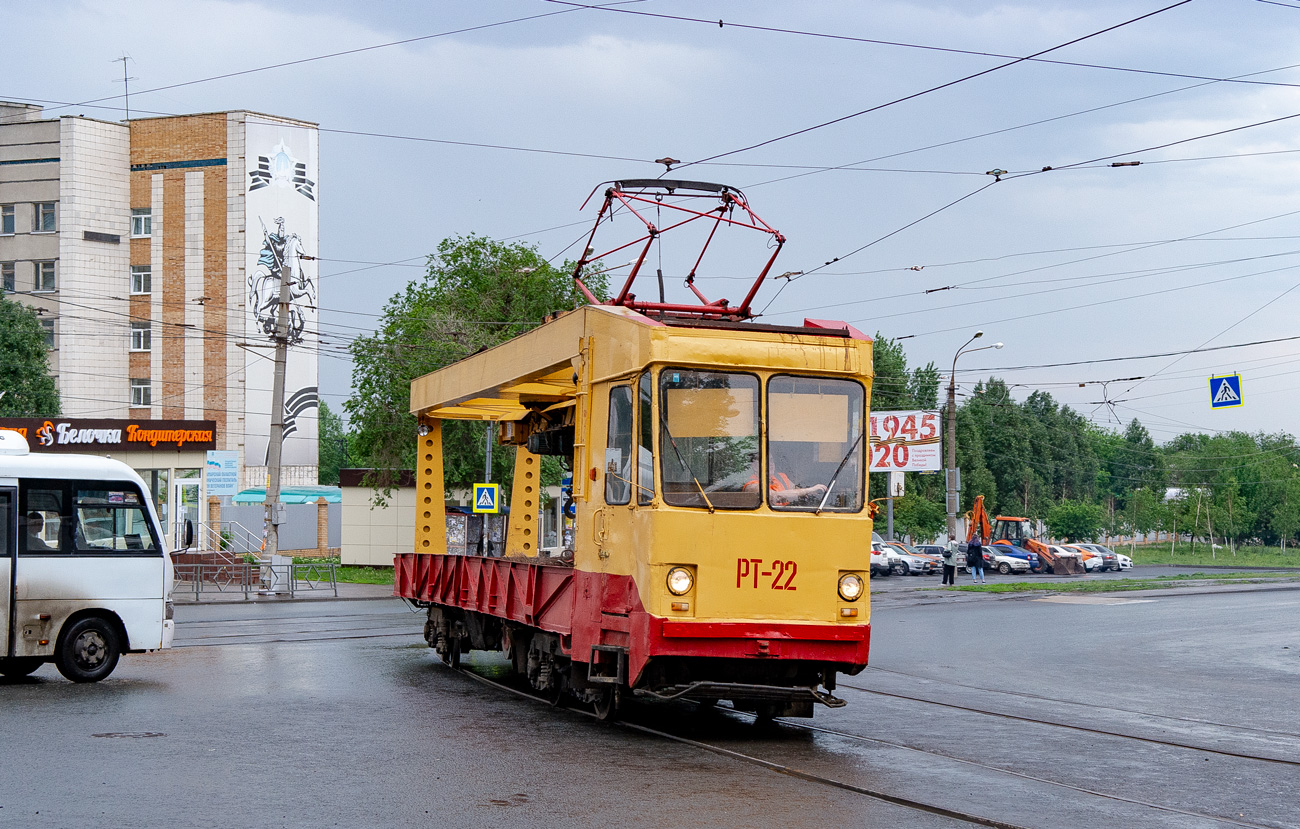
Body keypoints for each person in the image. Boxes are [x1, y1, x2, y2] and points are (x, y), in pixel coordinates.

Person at [744, 470, 828, 506]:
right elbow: (775, 496)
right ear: (755, 466)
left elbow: (796, 489)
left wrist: (812, 492)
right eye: (766, 460)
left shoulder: (780, 477)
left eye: (771, 460)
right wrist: (808, 490)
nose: (771, 463)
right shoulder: (752, 485)